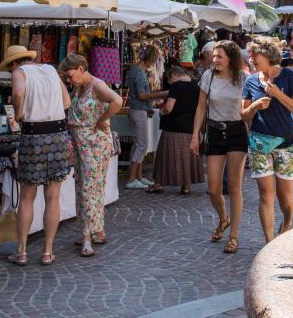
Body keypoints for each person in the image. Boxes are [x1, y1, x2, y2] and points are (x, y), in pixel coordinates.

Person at [2, 46, 72, 266]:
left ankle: (22, 251)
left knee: (26, 197)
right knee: (53, 197)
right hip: (58, 135)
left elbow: (18, 93)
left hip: (34, 136)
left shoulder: (19, 72)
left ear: (14, 63)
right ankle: (47, 252)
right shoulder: (51, 70)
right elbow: (67, 102)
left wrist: (20, 112)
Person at [59, 54, 122, 257]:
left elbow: (117, 101)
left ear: (80, 68)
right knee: (87, 186)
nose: (69, 80)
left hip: (94, 144)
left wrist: (103, 120)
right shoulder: (80, 86)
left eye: (69, 75)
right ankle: (97, 229)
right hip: (82, 144)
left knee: (89, 187)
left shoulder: (97, 85)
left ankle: (87, 236)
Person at [242, 37, 293, 244]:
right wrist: (255, 106)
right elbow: (243, 115)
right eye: (250, 54)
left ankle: (287, 222)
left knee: (285, 197)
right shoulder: (250, 81)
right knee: (265, 194)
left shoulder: (289, 76)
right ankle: (269, 243)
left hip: (286, 143)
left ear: (268, 55)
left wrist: (277, 94)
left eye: (254, 55)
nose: (251, 58)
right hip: (259, 143)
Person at [191, 40, 248, 255]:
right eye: (214, 56)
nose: (214, 61)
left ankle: (233, 237)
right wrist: (195, 135)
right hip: (215, 132)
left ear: (231, 58)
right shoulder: (209, 76)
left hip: (236, 132)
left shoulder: (243, 78)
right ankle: (223, 218)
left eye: (219, 57)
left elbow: (249, 107)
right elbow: (200, 107)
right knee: (213, 188)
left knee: (234, 187)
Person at [149, 66, 204, 195]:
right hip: (191, 128)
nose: (169, 82)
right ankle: (186, 186)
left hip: (173, 128)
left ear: (174, 75)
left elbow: (169, 108)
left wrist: (162, 112)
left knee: (166, 156)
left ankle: (158, 183)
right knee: (186, 158)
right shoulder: (196, 86)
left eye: (169, 79)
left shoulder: (176, 86)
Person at [125, 45, 168, 189]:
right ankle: (132, 179)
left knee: (141, 144)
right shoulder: (138, 72)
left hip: (140, 109)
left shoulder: (137, 70)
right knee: (142, 144)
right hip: (138, 110)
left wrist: (149, 107)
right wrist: (160, 94)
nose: (156, 61)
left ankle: (138, 176)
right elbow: (142, 95)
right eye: (155, 58)